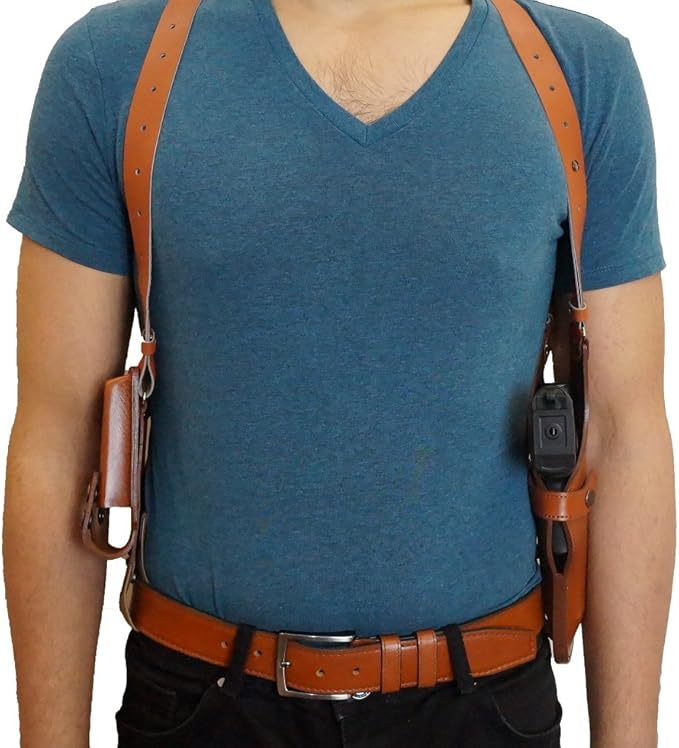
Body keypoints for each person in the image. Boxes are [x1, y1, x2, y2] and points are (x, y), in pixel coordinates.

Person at [3, 0, 673, 746]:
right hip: (201, 701)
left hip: (485, 704)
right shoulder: (112, 67)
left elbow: (622, 435)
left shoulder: (581, 74)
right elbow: (60, 440)